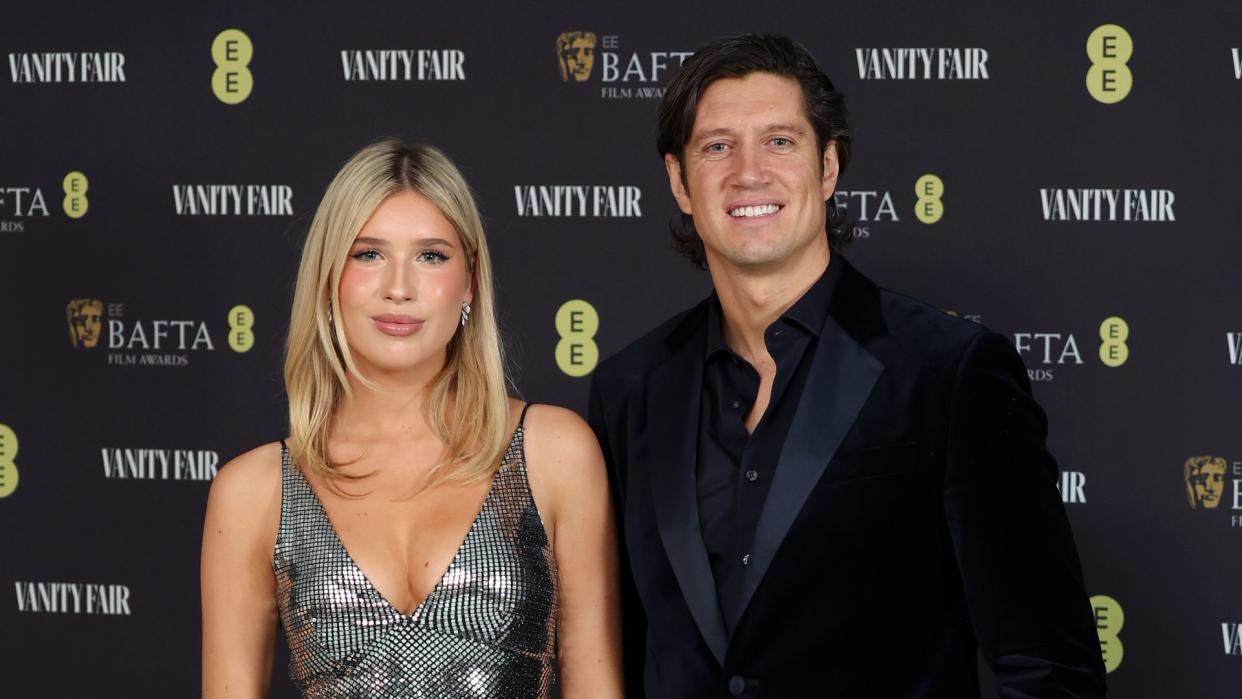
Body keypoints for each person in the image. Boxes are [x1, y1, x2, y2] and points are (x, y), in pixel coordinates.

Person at [587, 34, 1106, 697]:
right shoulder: (629, 388)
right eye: (717, 146)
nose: (749, 173)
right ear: (678, 181)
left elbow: (1047, 671)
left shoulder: (949, 371)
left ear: (828, 167)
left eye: (780, 141)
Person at [201, 139, 622, 698]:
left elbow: (596, 687)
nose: (399, 288)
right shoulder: (254, 492)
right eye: (368, 254)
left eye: (431, 255)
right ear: (329, 278)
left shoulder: (553, 452)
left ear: (469, 281)